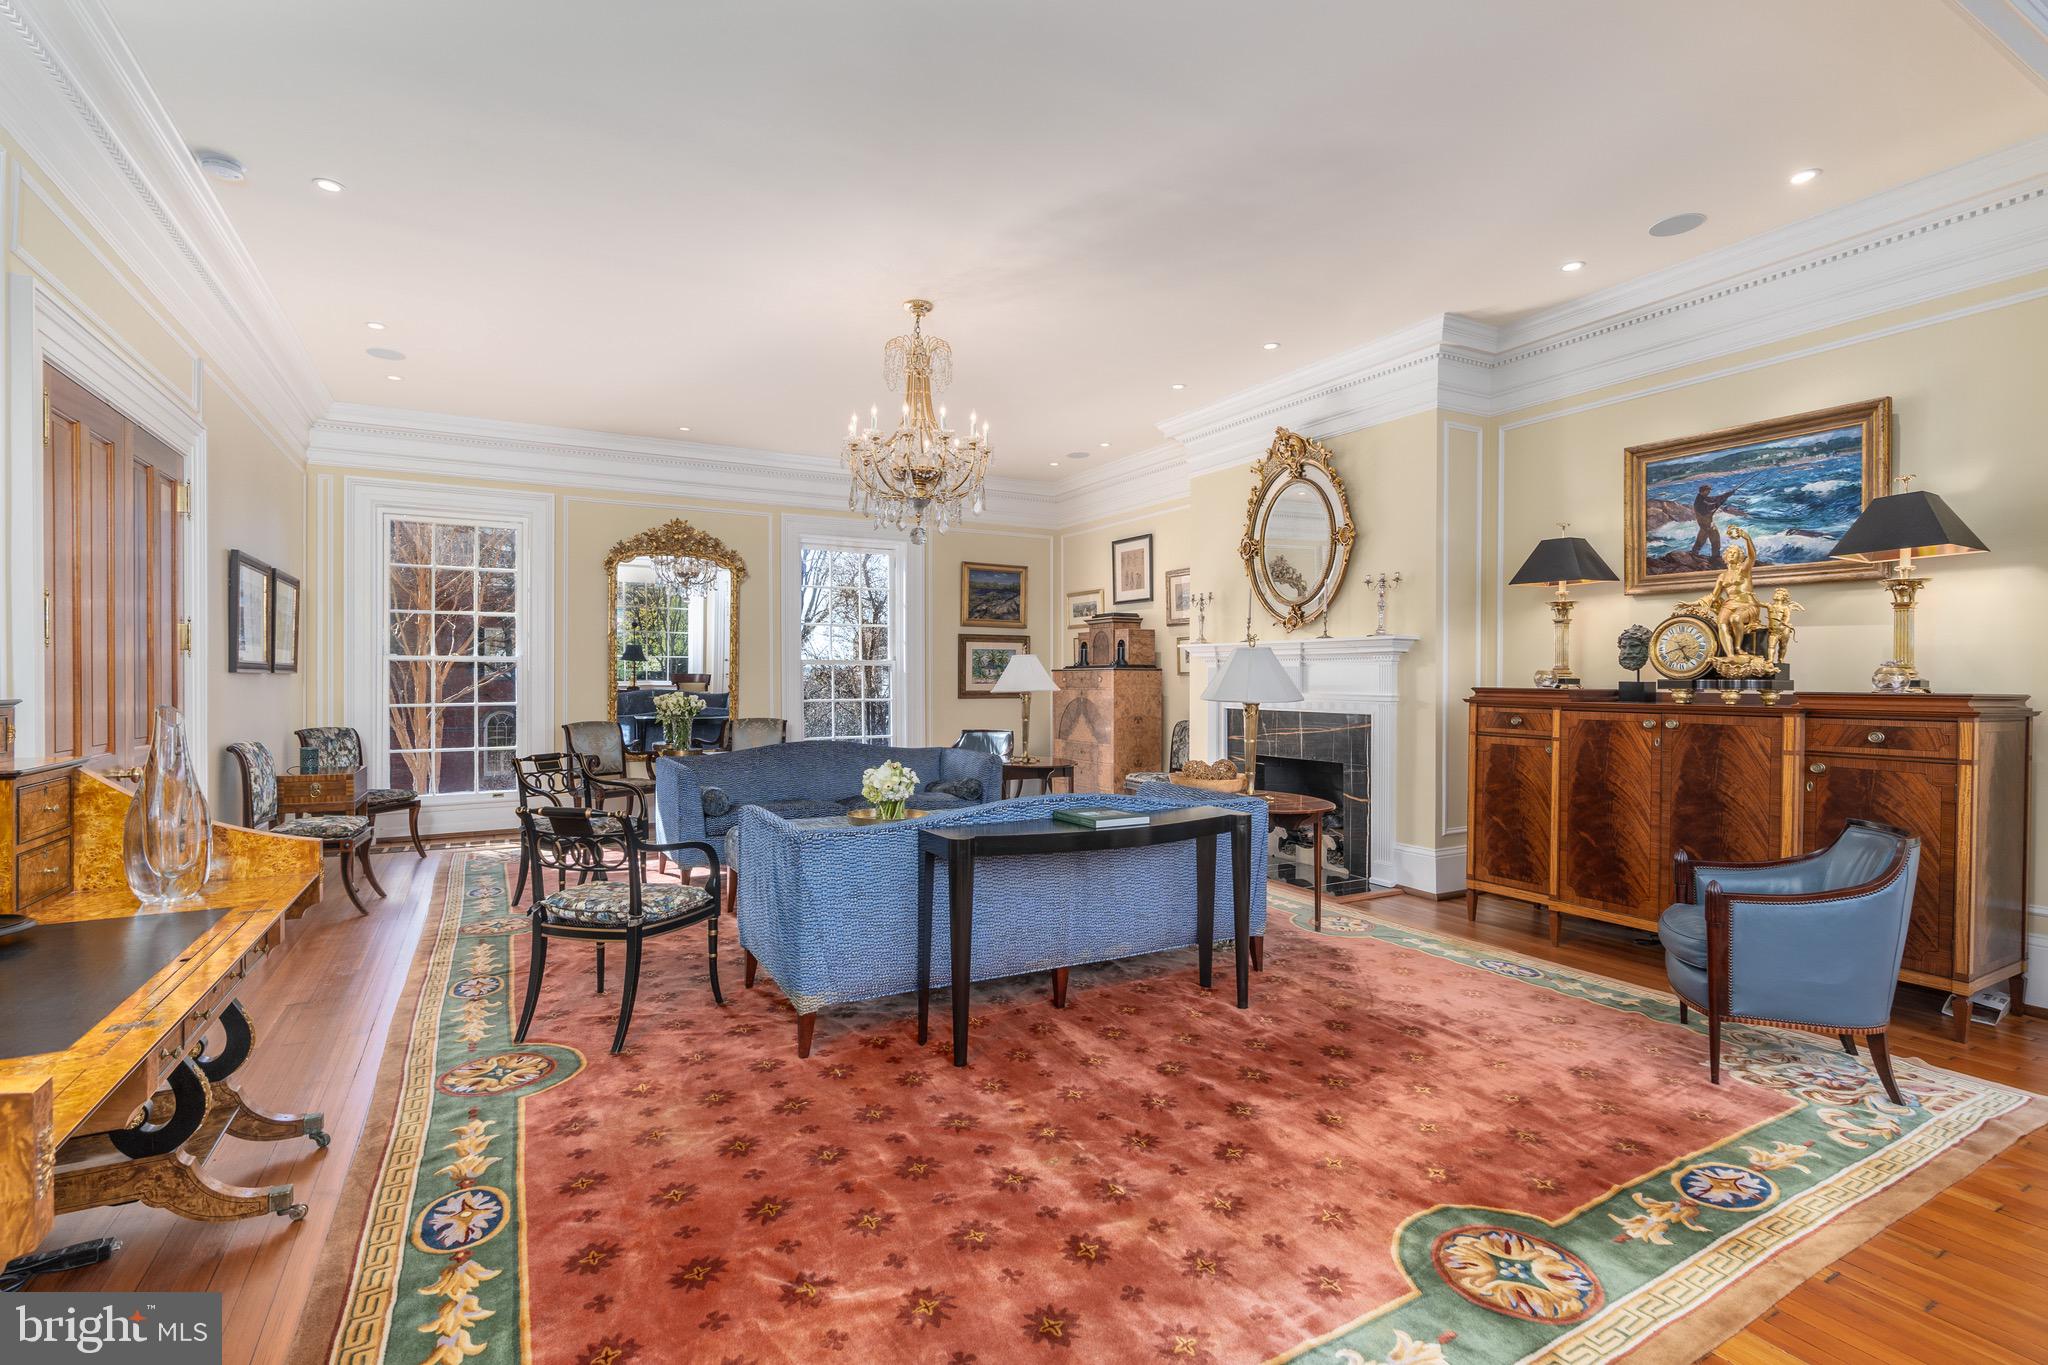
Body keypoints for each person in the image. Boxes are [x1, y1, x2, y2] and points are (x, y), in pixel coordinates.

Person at [1690, 482, 1740, 560]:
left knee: (1710, 543)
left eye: (1709, 490)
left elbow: (1716, 498)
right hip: (1706, 526)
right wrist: (1721, 501)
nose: (1709, 492)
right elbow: (1713, 504)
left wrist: (1729, 493)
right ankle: (1713, 559)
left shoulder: (1703, 498)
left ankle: (1713, 558)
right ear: (1702, 491)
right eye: (1708, 490)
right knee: (1704, 543)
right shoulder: (1699, 502)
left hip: (1709, 525)